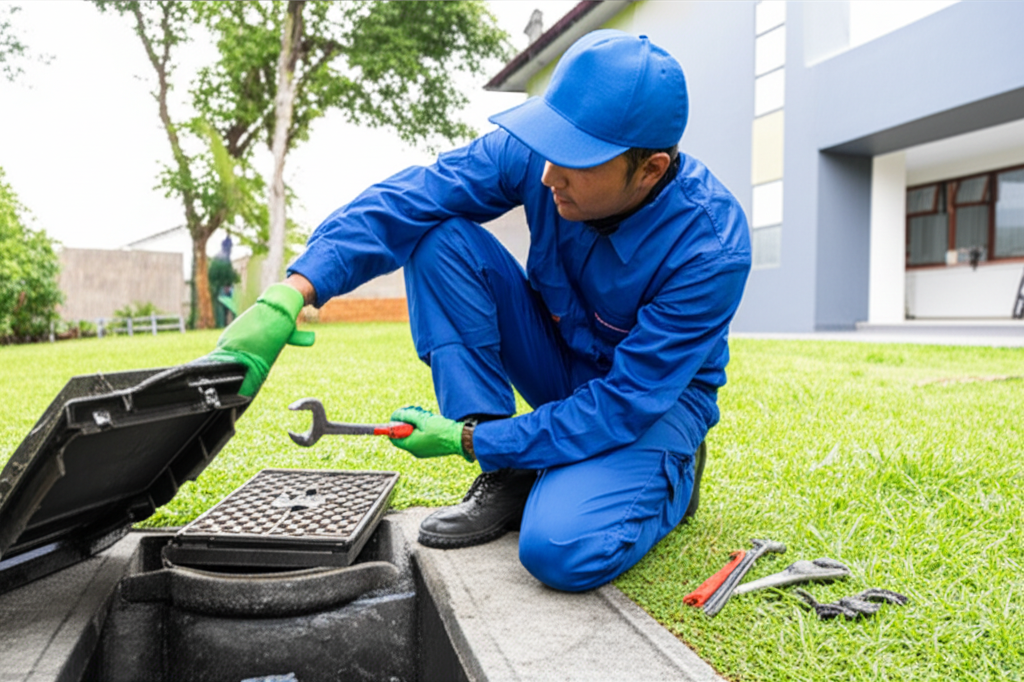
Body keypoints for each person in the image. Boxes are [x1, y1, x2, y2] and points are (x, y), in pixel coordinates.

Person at [203, 30, 751, 593]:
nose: (547, 176)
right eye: (551, 148)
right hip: (562, 360)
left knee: (560, 550)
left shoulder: (711, 250)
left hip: (649, 403)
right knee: (438, 236)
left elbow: (624, 403)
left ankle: (673, 476)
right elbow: (415, 196)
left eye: (575, 162)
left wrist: (465, 441)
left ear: (651, 169)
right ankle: (509, 472)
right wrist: (293, 290)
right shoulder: (542, 157)